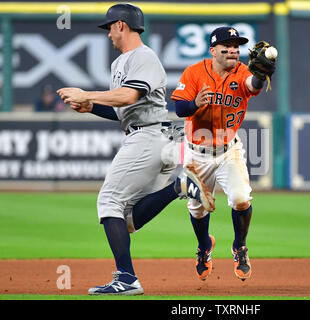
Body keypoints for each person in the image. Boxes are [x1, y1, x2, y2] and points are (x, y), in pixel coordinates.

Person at [57, 3, 214, 295]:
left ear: (121, 25)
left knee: (108, 202)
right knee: (126, 219)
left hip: (148, 138)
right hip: (148, 136)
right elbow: (121, 111)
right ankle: (178, 187)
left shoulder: (144, 57)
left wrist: (87, 93)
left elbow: (129, 95)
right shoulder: (121, 63)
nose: (108, 36)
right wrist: (90, 107)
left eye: (109, 29)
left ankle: (126, 278)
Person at [171, 26, 276, 281]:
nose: (233, 50)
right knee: (197, 209)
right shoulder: (195, 72)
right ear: (213, 50)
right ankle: (204, 246)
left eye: (236, 46)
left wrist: (261, 74)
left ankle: (239, 247)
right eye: (226, 46)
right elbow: (178, 108)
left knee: (241, 198)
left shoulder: (242, 72)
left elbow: (253, 85)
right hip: (197, 153)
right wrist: (195, 103)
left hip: (229, 150)